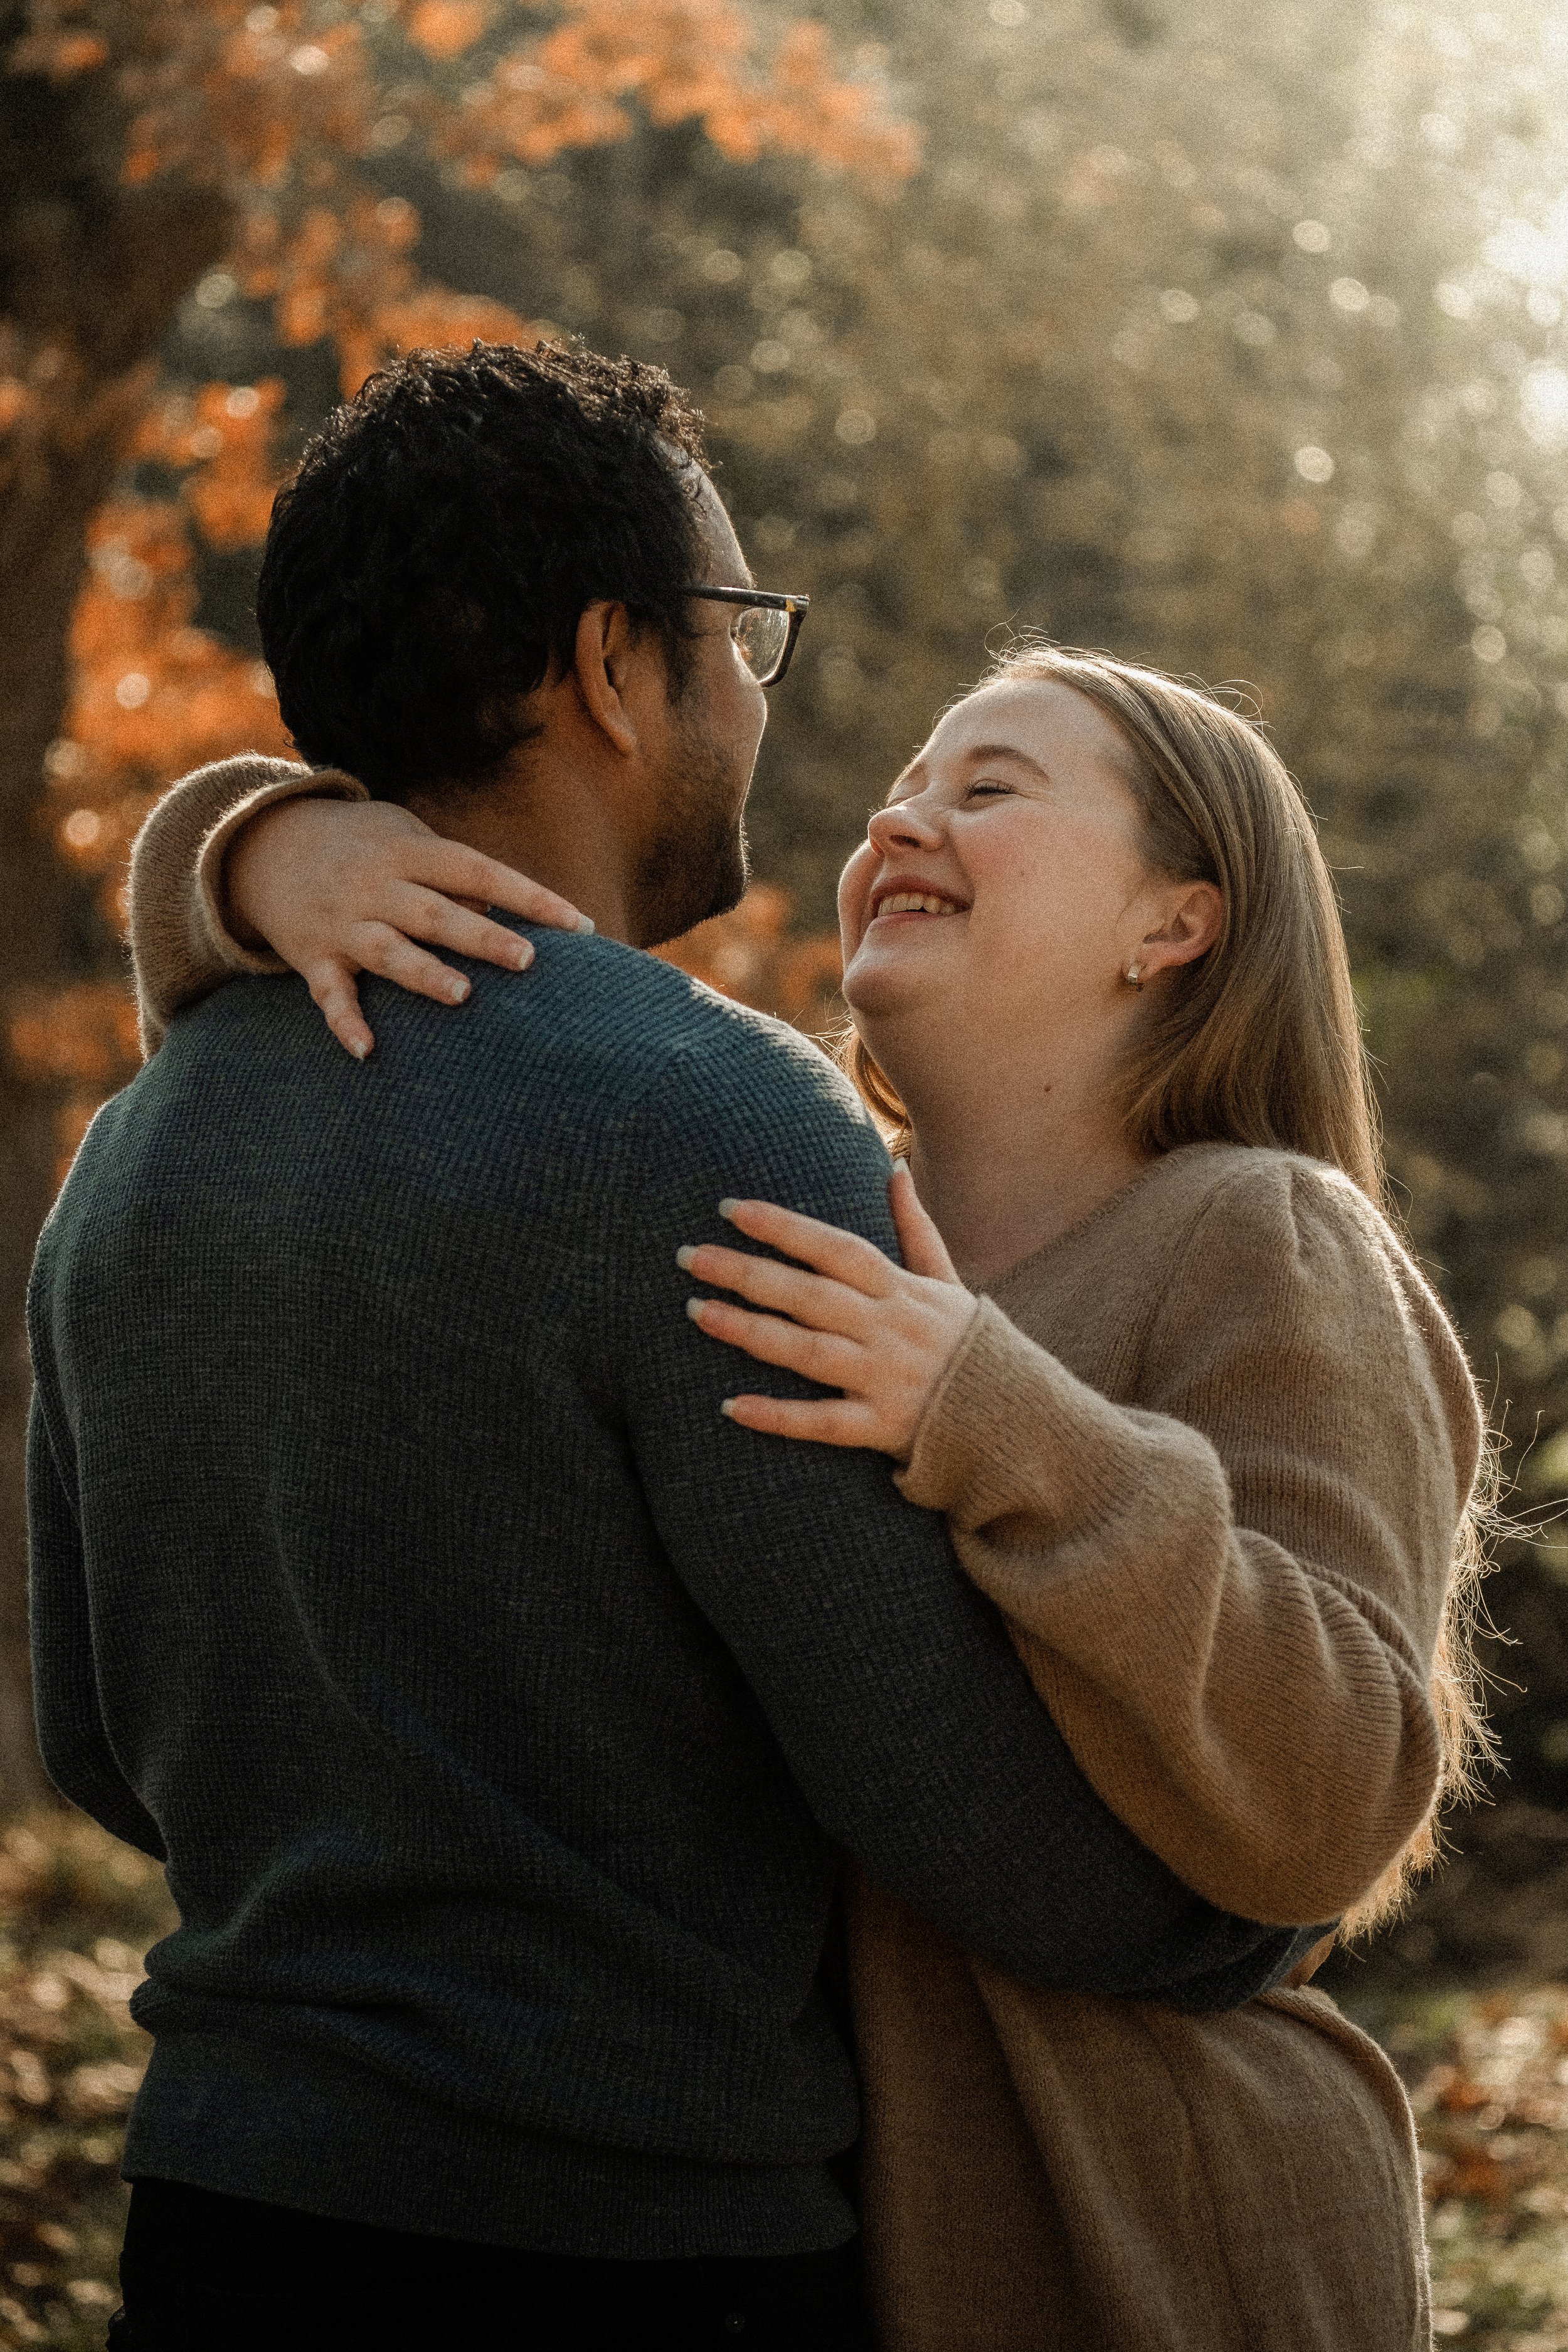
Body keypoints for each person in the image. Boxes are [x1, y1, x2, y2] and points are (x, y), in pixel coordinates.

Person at [25, 343, 1315, 2352]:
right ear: (616, 666)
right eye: (738, 636)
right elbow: (940, 1790)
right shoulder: (704, 1119)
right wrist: (1242, 1924)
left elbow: (101, 1744)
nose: (759, 706)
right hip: (623, 2257)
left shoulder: (135, 1150)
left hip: (215, 2229)